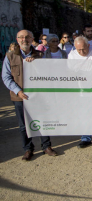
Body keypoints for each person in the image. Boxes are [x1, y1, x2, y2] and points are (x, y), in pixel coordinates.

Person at [2, 30, 57, 160]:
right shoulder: (10, 56)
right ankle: (28, 149)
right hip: (19, 97)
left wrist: (35, 65)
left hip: (39, 96)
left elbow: (47, 73)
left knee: (43, 121)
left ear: (32, 39)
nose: (24, 40)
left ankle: (46, 146)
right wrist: (18, 91)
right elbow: (6, 77)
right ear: (17, 39)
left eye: (27, 37)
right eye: (21, 37)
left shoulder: (40, 54)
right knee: (23, 125)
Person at [68, 36, 92, 148]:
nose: (81, 52)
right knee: (85, 114)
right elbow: (70, 73)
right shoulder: (71, 55)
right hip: (82, 90)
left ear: (88, 45)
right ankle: (86, 138)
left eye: (83, 49)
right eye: (78, 50)